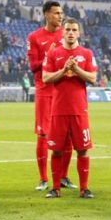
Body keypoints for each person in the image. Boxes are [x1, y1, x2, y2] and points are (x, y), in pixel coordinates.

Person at [42, 18, 97, 199]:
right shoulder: (53, 53)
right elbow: (46, 78)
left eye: (74, 30)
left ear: (79, 33)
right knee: (56, 149)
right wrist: (64, 70)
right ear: (63, 32)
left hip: (79, 110)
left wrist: (77, 69)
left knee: (82, 149)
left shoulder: (87, 54)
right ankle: (55, 188)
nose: (71, 33)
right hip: (58, 109)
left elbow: (92, 78)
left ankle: (84, 188)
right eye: (68, 30)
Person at [26, 0, 74, 191]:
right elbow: (33, 66)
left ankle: (63, 176)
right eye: (56, 13)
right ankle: (44, 178)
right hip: (45, 91)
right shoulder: (35, 37)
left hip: (64, 91)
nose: (60, 16)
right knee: (43, 134)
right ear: (46, 14)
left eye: (61, 13)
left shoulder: (68, 34)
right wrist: (50, 55)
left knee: (68, 135)